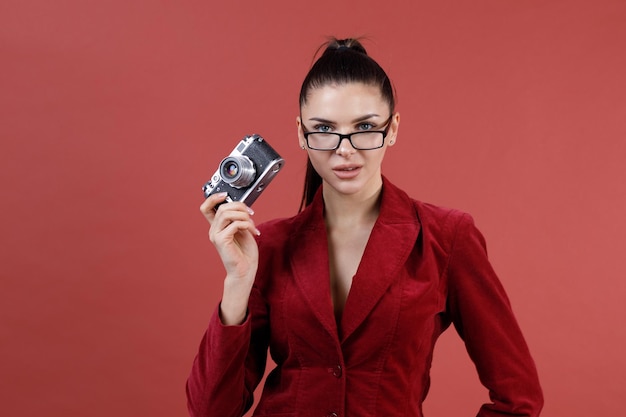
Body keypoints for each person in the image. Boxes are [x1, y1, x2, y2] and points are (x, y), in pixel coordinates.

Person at [186, 37, 543, 417]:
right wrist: (237, 284)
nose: (344, 149)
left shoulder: (446, 238)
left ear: (392, 129)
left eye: (365, 126)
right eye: (323, 128)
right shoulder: (267, 245)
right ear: (300, 133)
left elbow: (519, 397)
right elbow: (210, 411)